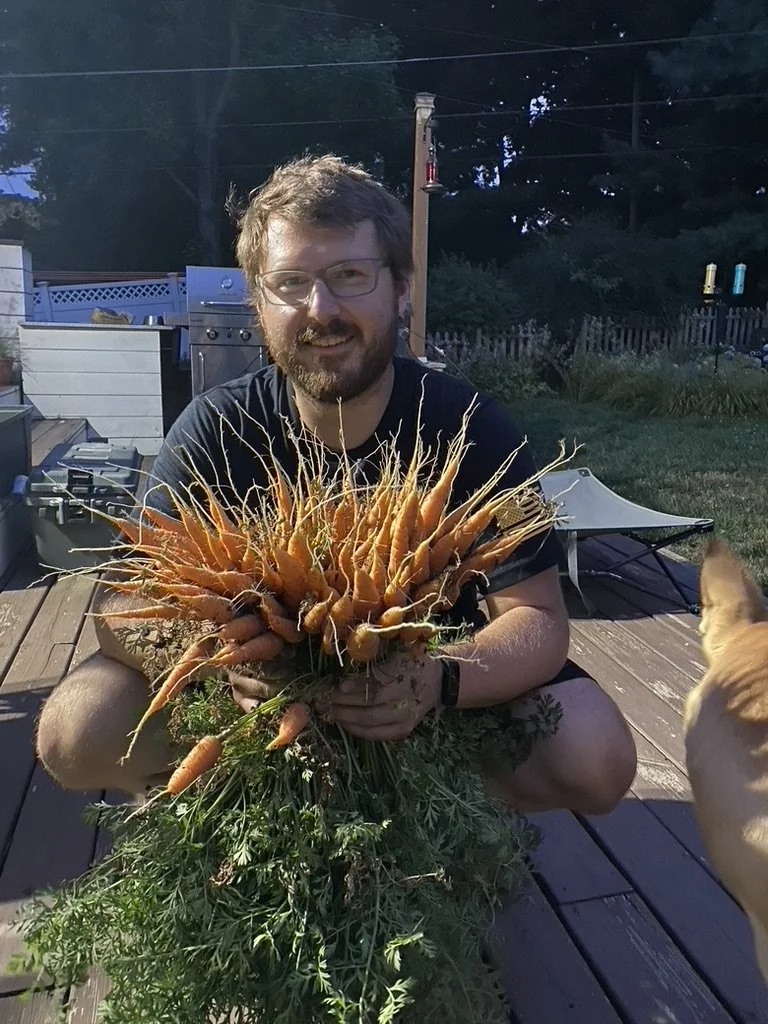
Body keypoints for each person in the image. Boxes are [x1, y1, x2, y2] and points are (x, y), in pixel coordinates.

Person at [35, 154, 636, 813]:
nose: (321, 309)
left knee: (593, 752)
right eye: (291, 282)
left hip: (434, 703)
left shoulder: (473, 430)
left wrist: (437, 680)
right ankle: (252, 800)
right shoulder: (214, 429)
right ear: (258, 303)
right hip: (254, 711)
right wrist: (205, 649)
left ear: (400, 287)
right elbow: (121, 608)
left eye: (350, 275)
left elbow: (539, 621)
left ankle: (441, 809)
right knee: (77, 728)